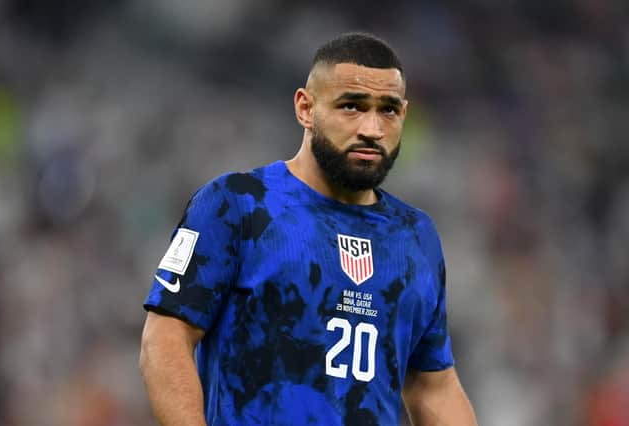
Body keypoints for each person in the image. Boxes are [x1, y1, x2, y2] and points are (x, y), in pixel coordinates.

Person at [139, 32, 478, 426]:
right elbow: (165, 340)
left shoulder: (416, 236)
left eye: (388, 110)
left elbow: (432, 385)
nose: (372, 128)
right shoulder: (237, 204)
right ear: (305, 108)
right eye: (352, 106)